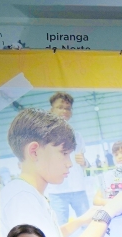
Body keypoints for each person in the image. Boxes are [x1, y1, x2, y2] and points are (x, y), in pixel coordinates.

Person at [0, 108, 122, 237]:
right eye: (64, 153)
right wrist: (107, 213)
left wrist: (81, 221)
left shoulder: (23, 193)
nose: (70, 163)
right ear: (34, 151)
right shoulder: (23, 199)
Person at [44, 93, 90, 227]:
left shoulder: (77, 136)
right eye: (60, 107)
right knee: (59, 229)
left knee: (88, 225)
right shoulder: (44, 136)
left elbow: (85, 163)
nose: (64, 111)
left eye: (68, 108)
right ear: (51, 110)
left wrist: (84, 162)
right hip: (56, 192)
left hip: (78, 189)